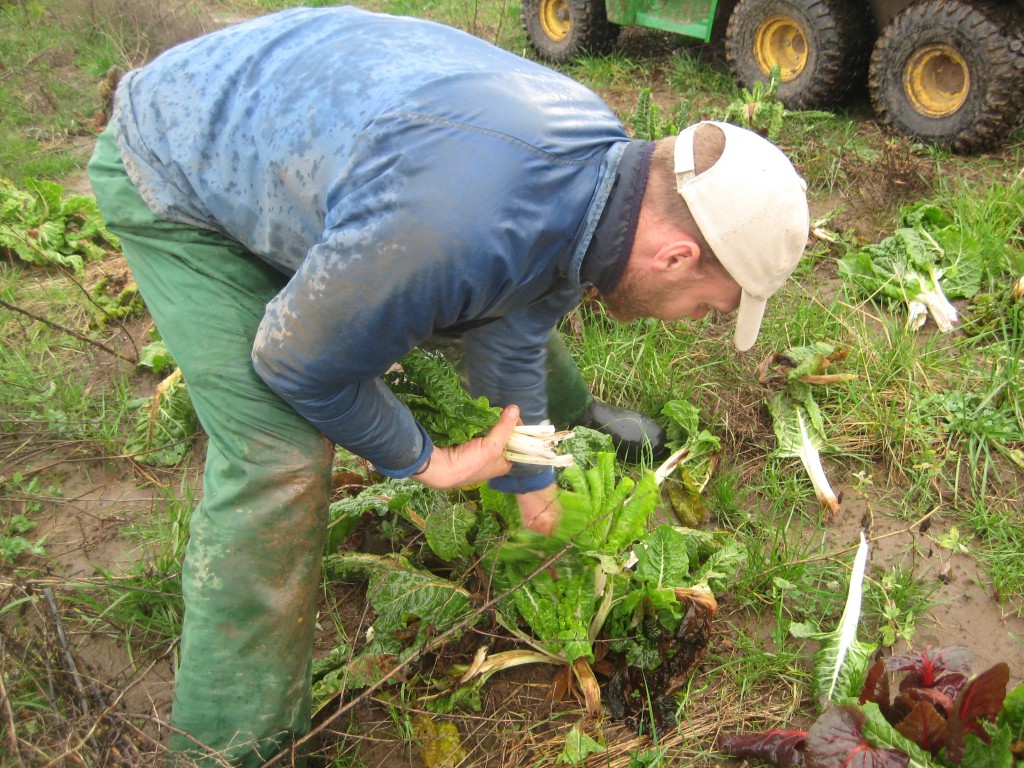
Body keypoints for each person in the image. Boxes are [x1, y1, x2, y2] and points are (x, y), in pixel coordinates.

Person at [87, 6, 809, 766]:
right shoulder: (453, 229)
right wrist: (433, 461)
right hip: (176, 170)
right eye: (706, 306)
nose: (689, 321)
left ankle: (574, 424)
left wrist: (531, 478)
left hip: (315, 145)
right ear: (675, 255)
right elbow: (296, 360)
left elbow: (518, 328)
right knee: (281, 457)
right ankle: (231, 748)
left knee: (495, 296)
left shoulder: (609, 178)